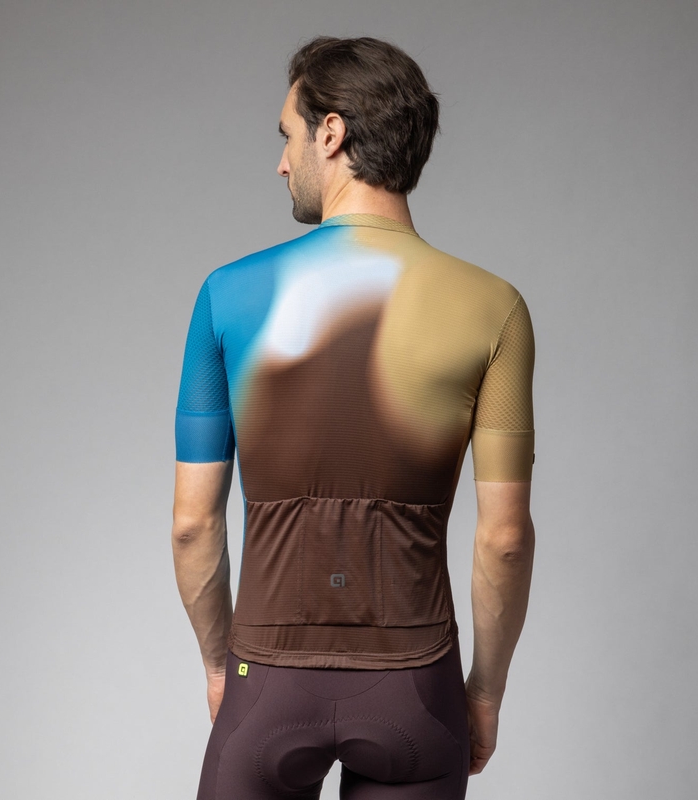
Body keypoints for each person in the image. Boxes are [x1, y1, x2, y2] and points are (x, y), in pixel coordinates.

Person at [171, 35, 536, 800]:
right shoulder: (494, 308)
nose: (281, 162)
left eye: (287, 136)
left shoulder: (227, 295)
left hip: (266, 679)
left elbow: (193, 526)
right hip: (417, 688)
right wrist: (485, 693)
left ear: (330, 133)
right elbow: (504, 538)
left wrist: (218, 666)